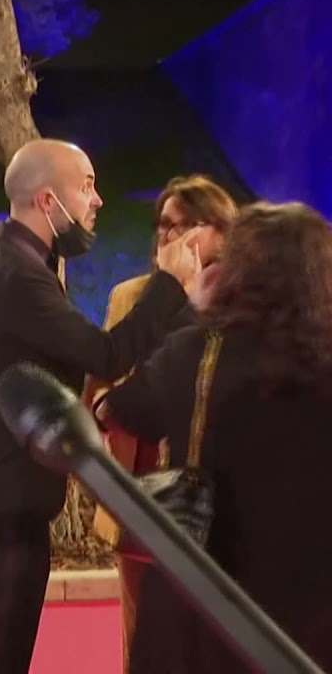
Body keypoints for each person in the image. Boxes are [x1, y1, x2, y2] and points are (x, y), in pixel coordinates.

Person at [0, 139, 202, 673]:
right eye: (86, 187)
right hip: (6, 497)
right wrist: (170, 283)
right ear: (47, 200)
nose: (97, 200)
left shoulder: (5, 258)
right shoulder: (15, 274)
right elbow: (106, 354)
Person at [98, 201, 332, 674]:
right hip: (314, 610)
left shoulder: (196, 352)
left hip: (206, 601)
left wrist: (193, 311)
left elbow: (114, 409)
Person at [81, 173, 238, 670]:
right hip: (142, 490)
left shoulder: (242, 303)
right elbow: (100, 389)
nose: (170, 237)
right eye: (164, 225)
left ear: (221, 232)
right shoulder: (130, 296)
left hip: (220, 498)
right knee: (143, 630)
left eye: (186, 225)